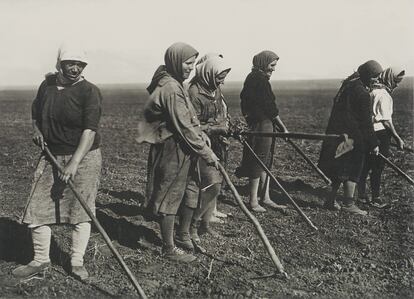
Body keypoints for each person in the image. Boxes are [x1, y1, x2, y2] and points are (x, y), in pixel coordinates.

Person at [13, 44, 103, 280]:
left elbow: (89, 130)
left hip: (84, 158)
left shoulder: (89, 91)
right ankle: (41, 260)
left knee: (80, 211)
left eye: (80, 65)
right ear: (60, 63)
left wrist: (73, 163)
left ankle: (76, 262)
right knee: (37, 209)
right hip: (51, 154)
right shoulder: (47, 85)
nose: (75, 69)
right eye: (70, 63)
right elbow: (36, 111)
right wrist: (37, 130)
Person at [137, 42, 219, 262]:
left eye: (193, 63)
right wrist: (206, 153)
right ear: (175, 60)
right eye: (187, 63)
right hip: (172, 148)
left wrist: (201, 134)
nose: (191, 68)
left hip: (180, 145)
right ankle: (168, 248)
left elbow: (188, 120)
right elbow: (183, 126)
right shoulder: (171, 88)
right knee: (170, 194)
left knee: (181, 190)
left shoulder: (174, 82)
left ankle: (180, 237)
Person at [175, 54, 231, 249]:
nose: (222, 81)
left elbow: (221, 115)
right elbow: (192, 126)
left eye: (223, 76)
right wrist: (216, 128)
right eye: (219, 76)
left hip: (216, 143)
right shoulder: (193, 92)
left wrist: (225, 127)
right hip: (199, 145)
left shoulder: (215, 90)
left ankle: (204, 225)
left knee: (215, 185)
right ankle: (191, 226)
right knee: (209, 186)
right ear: (209, 72)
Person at [318, 60, 383, 215]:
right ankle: (348, 203)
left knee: (339, 167)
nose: (377, 80)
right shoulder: (362, 93)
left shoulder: (349, 85)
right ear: (368, 75)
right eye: (375, 76)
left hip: (339, 134)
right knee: (354, 169)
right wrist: (374, 143)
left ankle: (330, 200)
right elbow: (365, 122)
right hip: (353, 137)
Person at [235, 50, 288, 212]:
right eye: (272, 65)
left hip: (260, 123)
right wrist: (283, 128)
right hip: (262, 124)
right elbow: (270, 108)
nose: (273, 69)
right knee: (259, 160)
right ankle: (253, 201)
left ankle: (265, 197)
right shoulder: (260, 80)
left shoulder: (252, 78)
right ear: (263, 63)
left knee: (265, 160)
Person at [357, 67, 405, 208]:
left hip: (368, 132)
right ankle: (376, 198)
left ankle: (361, 195)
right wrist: (397, 138)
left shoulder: (371, 91)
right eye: (396, 81)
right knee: (377, 167)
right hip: (380, 133)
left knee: (366, 165)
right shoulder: (384, 95)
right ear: (389, 78)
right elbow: (386, 120)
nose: (397, 84)